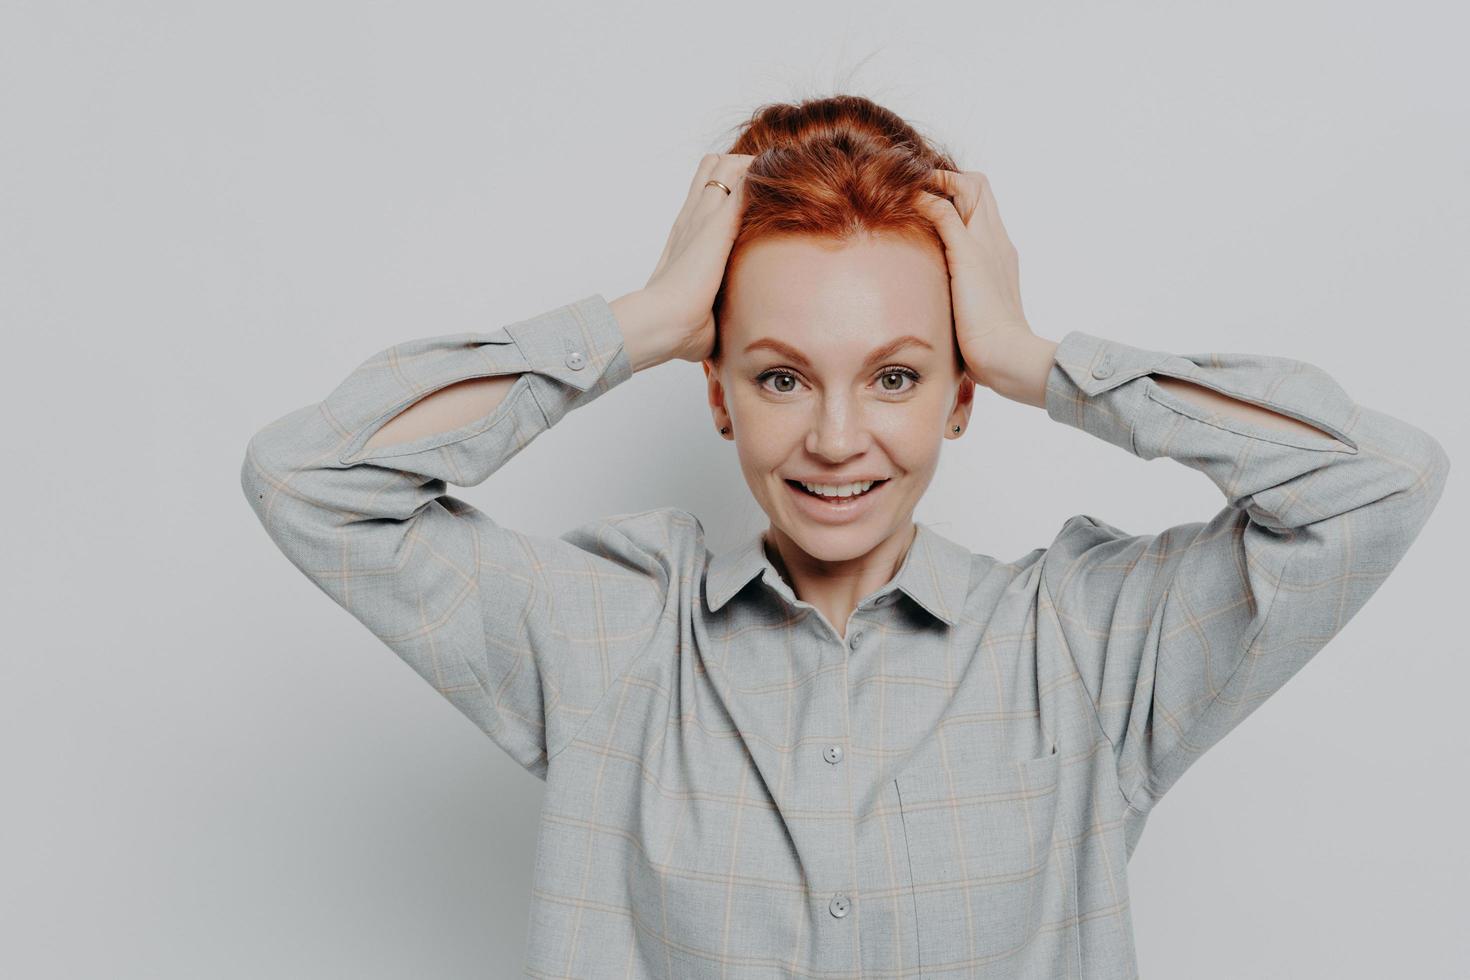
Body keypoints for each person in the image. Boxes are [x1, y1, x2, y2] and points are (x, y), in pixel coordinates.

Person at [240, 95, 1449, 979]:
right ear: (715, 391)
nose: (834, 437)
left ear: (958, 393)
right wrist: (647, 319)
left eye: (896, 375)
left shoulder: (1083, 646)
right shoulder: (607, 638)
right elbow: (312, 479)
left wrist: (1039, 360)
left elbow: (1377, 481)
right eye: (777, 377)